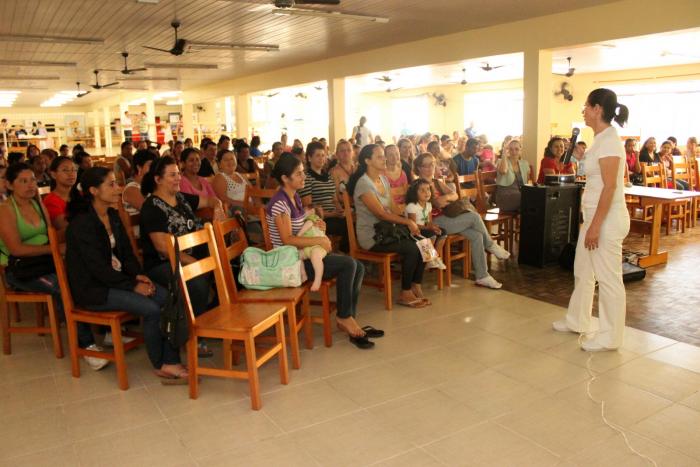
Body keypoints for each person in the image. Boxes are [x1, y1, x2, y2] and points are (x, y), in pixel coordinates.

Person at [66, 167, 188, 382]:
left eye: (117, 183)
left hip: (116, 281)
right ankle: (162, 363)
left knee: (170, 298)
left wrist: (139, 276)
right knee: (151, 309)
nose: (118, 188)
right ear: (94, 190)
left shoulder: (112, 215)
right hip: (94, 289)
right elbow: (98, 269)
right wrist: (132, 285)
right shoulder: (82, 224)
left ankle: (170, 358)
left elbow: (127, 255)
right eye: (111, 184)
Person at [0, 162, 108, 369]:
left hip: (47, 261)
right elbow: (17, 250)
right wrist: (55, 249)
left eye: (32, 179)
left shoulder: (37, 204)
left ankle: (107, 330)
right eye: (23, 181)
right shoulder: (5, 210)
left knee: (86, 275)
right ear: (10, 185)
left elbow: (53, 235)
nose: (31, 185)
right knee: (62, 287)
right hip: (21, 269)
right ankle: (86, 346)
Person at [266, 153, 380, 349]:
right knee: (348, 265)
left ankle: (347, 316)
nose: (304, 177)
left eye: (303, 172)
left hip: (304, 253)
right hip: (292, 263)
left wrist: (317, 225)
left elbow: (301, 227)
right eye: (299, 174)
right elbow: (287, 239)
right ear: (285, 178)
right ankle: (345, 317)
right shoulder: (280, 203)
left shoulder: (294, 198)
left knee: (358, 267)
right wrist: (319, 238)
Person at [553, 88, 631, 352]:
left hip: (607, 220)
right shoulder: (599, 139)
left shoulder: (610, 140)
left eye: (586, 106)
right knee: (583, 270)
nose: (583, 111)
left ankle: (610, 337)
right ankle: (578, 320)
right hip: (595, 217)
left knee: (608, 279)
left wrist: (595, 225)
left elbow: (610, 187)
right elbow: (596, 177)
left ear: (598, 109)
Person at [139, 156, 222, 357]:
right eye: (172, 175)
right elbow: (162, 247)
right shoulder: (152, 206)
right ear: (158, 179)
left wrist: (217, 207)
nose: (178, 178)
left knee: (232, 265)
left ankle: (210, 320)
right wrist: (195, 263)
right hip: (163, 264)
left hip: (193, 256)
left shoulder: (181, 198)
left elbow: (210, 199)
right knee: (197, 280)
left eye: (178, 173)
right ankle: (193, 335)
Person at [348, 144, 429, 308]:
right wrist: (408, 222)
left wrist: (411, 220)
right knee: (412, 247)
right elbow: (381, 214)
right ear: (367, 161)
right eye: (379, 156)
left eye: (383, 155)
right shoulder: (364, 184)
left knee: (425, 241)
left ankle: (416, 285)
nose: (384, 158)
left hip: (388, 231)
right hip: (372, 236)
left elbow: (391, 207)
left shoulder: (383, 179)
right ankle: (405, 292)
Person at [414, 152, 509, 289]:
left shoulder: (436, 182)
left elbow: (455, 195)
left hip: (448, 217)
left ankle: (482, 276)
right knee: (474, 217)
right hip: (432, 222)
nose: (430, 168)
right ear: (418, 168)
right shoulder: (418, 184)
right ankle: (491, 245)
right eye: (426, 165)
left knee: (476, 236)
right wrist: (438, 201)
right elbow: (426, 206)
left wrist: (445, 198)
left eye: (432, 164)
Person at [299, 141, 349, 252]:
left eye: (323, 155)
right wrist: (332, 214)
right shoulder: (306, 178)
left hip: (334, 215)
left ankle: (345, 252)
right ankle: (344, 252)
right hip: (319, 219)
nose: (321, 158)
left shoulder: (328, 176)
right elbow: (308, 207)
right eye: (317, 155)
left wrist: (340, 211)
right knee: (348, 226)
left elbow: (335, 200)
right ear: (309, 158)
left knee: (352, 221)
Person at [404, 179, 447, 270]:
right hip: (414, 231)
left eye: (428, 189)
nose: (426, 192)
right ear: (414, 193)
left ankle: (435, 258)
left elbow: (429, 221)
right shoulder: (412, 206)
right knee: (431, 235)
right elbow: (413, 225)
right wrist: (428, 227)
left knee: (443, 232)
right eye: (422, 190)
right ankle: (429, 259)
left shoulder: (428, 205)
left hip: (424, 228)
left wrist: (433, 226)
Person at [495, 139, 532, 211]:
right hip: (505, 197)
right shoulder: (502, 161)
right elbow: (503, 171)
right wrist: (504, 154)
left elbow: (526, 183)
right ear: (507, 150)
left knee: (535, 198)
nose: (514, 152)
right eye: (511, 149)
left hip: (520, 196)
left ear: (521, 150)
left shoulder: (524, 163)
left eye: (517, 149)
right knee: (528, 199)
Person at [44, 156, 78, 230]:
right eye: (65, 170)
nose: (71, 174)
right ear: (53, 174)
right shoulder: (51, 201)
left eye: (74, 170)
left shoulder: (80, 195)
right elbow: (66, 228)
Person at [212, 149, 249, 215]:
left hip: (249, 207)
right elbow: (223, 199)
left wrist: (258, 205)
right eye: (226, 160)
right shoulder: (220, 177)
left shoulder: (239, 175)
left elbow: (253, 192)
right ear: (219, 164)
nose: (230, 162)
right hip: (235, 210)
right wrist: (243, 204)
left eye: (232, 159)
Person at [298, 209, 327, 291]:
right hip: (307, 247)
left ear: (312, 212)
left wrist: (298, 236)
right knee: (297, 255)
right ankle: (303, 274)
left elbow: (306, 227)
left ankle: (317, 280)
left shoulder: (311, 220)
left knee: (315, 256)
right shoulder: (308, 221)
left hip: (317, 247)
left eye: (305, 210)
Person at [122, 149, 156, 215]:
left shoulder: (149, 186)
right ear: (139, 167)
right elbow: (150, 212)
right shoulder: (131, 188)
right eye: (150, 166)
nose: (154, 169)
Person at [384, 144, 409, 209]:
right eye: (391, 155)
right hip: (388, 209)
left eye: (397, 154)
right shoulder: (381, 174)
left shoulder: (403, 173)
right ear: (385, 157)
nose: (394, 157)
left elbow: (406, 193)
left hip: (403, 207)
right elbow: (383, 196)